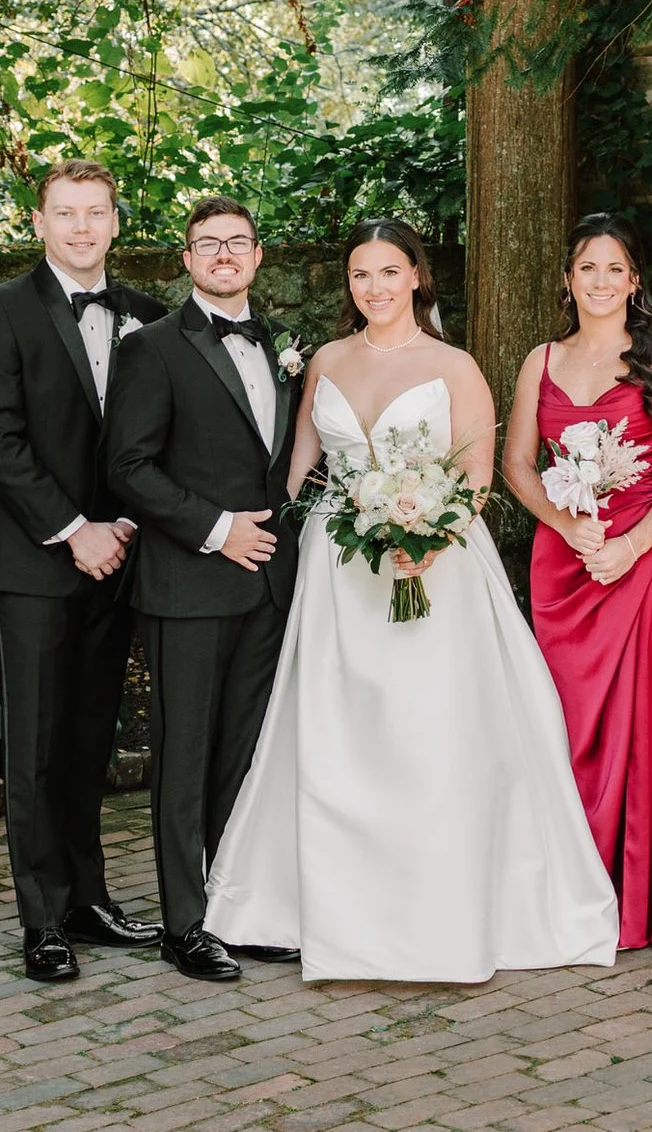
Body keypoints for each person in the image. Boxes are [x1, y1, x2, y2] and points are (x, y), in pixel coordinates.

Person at [204, 218, 618, 980]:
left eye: (389, 272)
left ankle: (438, 907)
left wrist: (426, 535)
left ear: (417, 277)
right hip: (339, 570)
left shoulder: (455, 365)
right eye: (361, 274)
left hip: (435, 564)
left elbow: (478, 476)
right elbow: (301, 469)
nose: (375, 287)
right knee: (338, 732)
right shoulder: (325, 360)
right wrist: (256, 550)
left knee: (429, 730)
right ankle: (330, 908)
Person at [0, 160, 168, 983]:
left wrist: (121, 524)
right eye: (66, 213)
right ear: (38, 222)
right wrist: (72, 527)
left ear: (117, 222)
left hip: (118, 556)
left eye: (96, 213)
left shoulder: (150, 319)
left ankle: (88, 896)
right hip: (36, 560)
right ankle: (42, 917)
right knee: (38, 745)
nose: (82, 228)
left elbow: (151, 440)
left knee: (90, 738)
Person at [103, 196, 301, 982]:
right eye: (207, 244)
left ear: (257, 256)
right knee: (183, 760)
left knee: (241, 758)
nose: (224, 254)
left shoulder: (286, 344)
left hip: (268, 588)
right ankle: (184, 922)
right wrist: (218, 528)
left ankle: (233, 908)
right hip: (188, 580)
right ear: (185, 261)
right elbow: (128, 467)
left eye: (238, 242)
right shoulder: (152, 347)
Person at [500, 214, 652, 952]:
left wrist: (633, 543)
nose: (602, 281)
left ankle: (630, 898)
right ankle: (559, 884)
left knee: (634, 728)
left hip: (639, 566)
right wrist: (562, 520)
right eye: (588, 267)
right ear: (567, 278)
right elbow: (518, 462)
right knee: (561, 721)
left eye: (616, 268)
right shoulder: (540, 361)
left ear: (635, 280)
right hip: (564, 566)